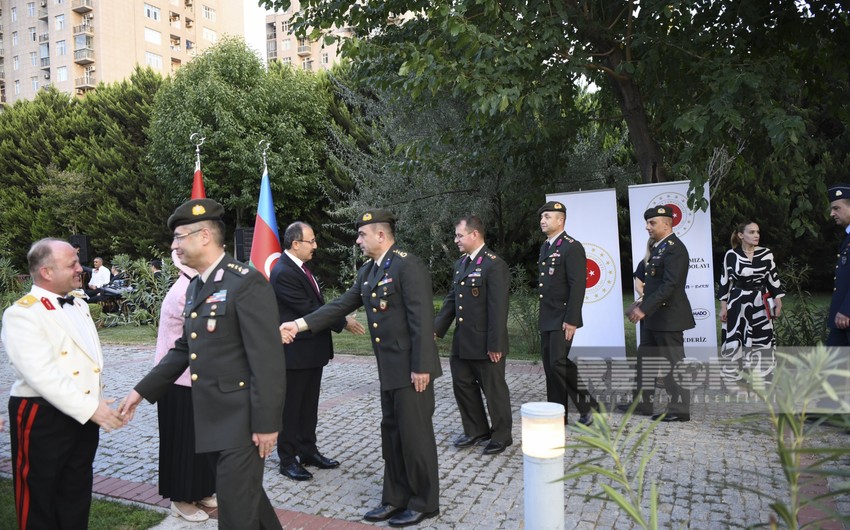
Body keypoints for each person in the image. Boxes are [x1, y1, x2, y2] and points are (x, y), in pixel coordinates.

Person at [120, 198, 286, 530]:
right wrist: (142, 391)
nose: (174, 245)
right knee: (245, 499)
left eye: (180, 237)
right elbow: (184, 348)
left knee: (236, 512)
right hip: (210, 418)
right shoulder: (197, 285)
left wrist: (267, 424)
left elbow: (267, 360)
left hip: (242, 422)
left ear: (205, 236)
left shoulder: (245, 282)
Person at [280, 209, 441, 528]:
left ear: (381, 235)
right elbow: (339, 306)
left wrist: (422, 366)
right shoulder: (370, 271)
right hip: (390, 370)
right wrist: (297, 325)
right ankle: (395, 498)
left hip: (412, 370)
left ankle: (424, 501)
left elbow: (421, 320)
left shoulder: (408, 265)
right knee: (392, 435)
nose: (357, 240)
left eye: (362, 235)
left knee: (415, 437)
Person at [2, 238, 124, 529]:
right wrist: (90, 407)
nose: (79, 268)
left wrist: (92, 401)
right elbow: (40, 373)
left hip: (81, 413)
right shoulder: (22, 313)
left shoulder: (78, 304)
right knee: (39, 497)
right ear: (46, 271)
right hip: (42, 414)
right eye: (71, 264)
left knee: (75, 493)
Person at [270, 221, 364, 482]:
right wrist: (343, 321)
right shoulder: (284, 272)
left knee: (308, 407)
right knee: (291, 408)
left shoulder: (300, 268)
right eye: (311, 241)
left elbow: (315, 305)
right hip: (295, 355)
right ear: (295, 243)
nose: (315, 246)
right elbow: (309, 309)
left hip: (310, 353)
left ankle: (308, 451)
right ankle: (287, 459)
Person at [434, 215, 513, 455]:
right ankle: (476, 429)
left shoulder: (493, 264)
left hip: (486, 343)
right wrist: (435, 330)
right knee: (463, 386)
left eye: (459, 235)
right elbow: (451, 300)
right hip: (463, 341)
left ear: (474, 234)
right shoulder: (461, 264)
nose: (456, 240)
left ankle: (502, 435)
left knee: (494, 389)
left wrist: (496, 344)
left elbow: (498, 308)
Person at [154, 250, 217, 522]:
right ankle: (181, 499)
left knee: (202, 441)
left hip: (199, 379)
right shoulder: (186, 292)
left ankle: (201, 489)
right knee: (183, 443)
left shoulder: (198, 287)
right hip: (179, 381)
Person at [624, 206, 695, 422]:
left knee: (673, 364)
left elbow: (670, 286)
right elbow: (652, 286)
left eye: (652, 223)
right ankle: (642, 404)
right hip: (655, 317)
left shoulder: (675, 249)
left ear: (667, 224)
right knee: (644, 361)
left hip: (669, 318)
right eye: (647, 223)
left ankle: (680, 410)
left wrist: (643, 309)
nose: (647, 227)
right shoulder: (659, 248)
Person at [537, 200, 598, 425]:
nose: (543, 221)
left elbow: (578, 285)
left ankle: (587, 405)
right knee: (551, 367)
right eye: (542, 217)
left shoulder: (572, 246)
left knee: (558, 363)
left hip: (563, 317)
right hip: (547, 316)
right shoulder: (546, 246)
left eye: (548, 217)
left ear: (560, 220)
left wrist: (572, 319)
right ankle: (557, 414)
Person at [717, 222, 784, 387]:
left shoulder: (766, 254)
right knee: (735, 338)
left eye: (758, 232)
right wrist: (723, 307)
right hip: (738, 301)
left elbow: (773, 279)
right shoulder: (731, 255)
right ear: (741, 235)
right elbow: (724, 282)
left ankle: (763, 377)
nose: (756, 235)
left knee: (763, 337)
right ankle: (733, 378)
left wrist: (778, 301)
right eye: (752, 232)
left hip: (761, 301)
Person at [827, 184, 850, 346]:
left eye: (836, 208)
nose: (832, 214)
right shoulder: (847, 238)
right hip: (842, 319)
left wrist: (847, 309)